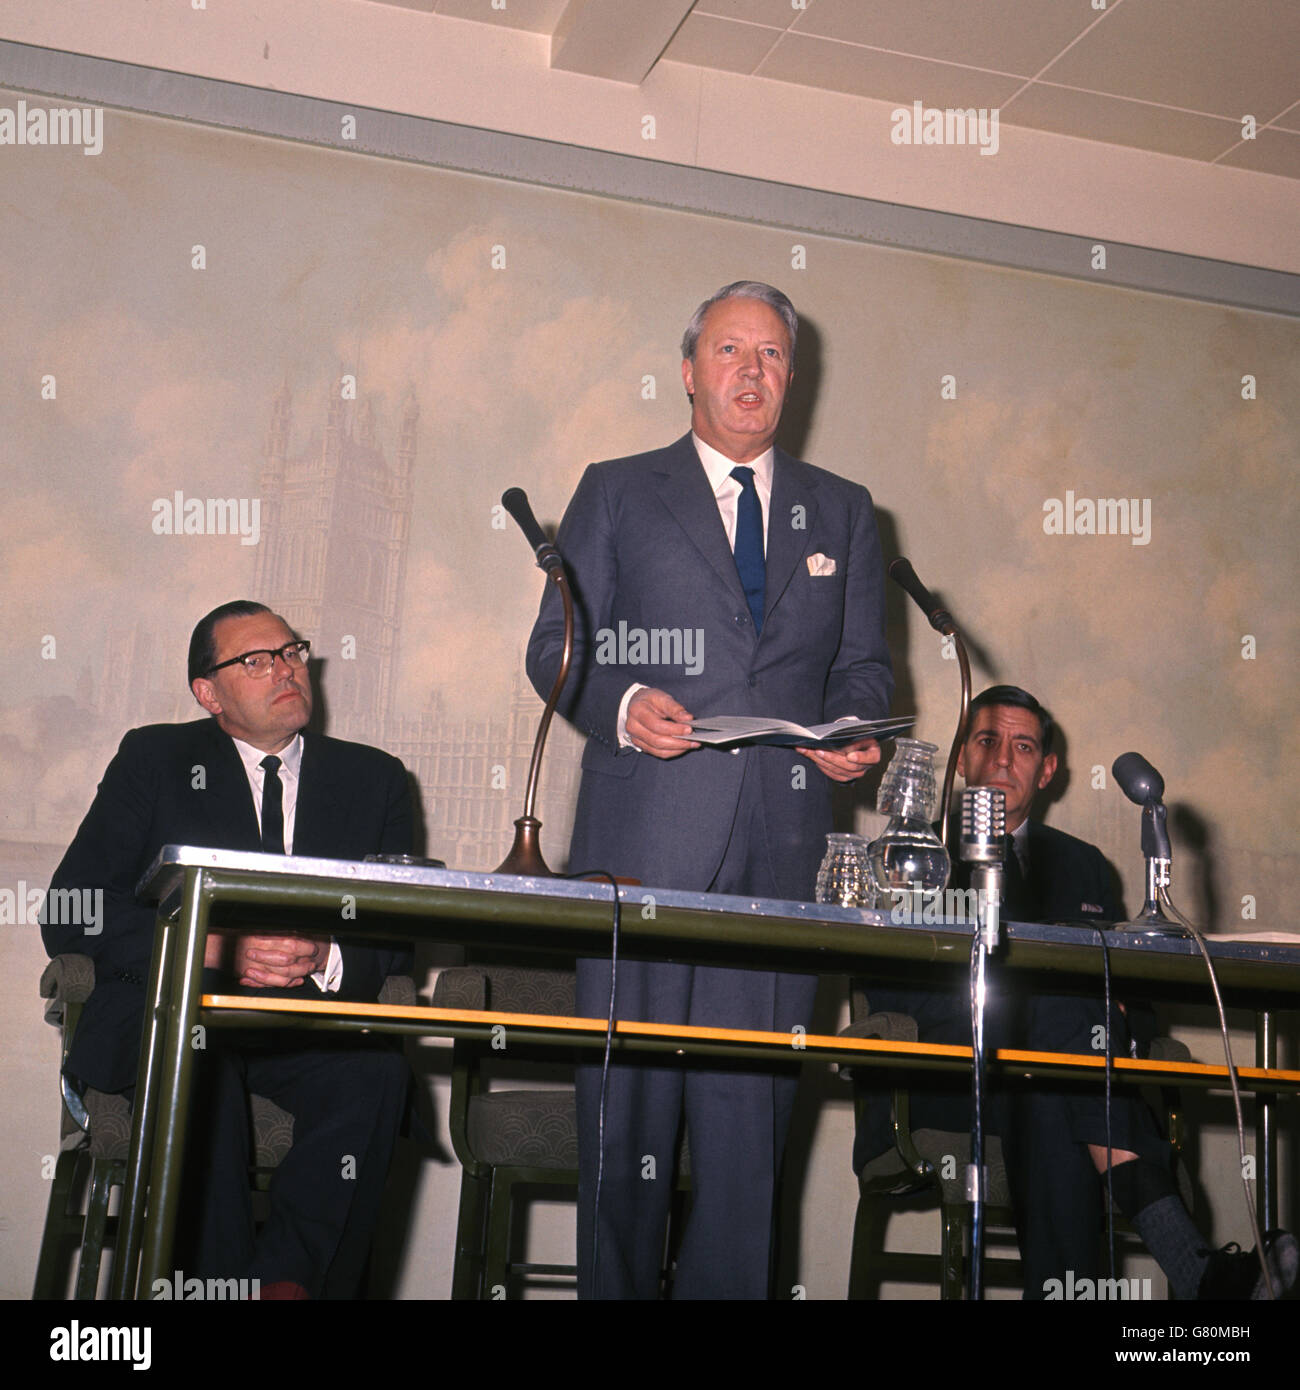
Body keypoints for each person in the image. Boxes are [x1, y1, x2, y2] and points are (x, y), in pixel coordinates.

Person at [526, 281, 894, 1298]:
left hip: (778, 859)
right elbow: (554, 650)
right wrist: (622, 699)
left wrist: (853, 727)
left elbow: (864, 672)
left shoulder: (847, 511)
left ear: (792, 378)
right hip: (637, 841)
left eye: (772, 355)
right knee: (625, 1130)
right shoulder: (614, 488)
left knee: (746, 1147)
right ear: (688, 370)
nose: (751, 372)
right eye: (729, 350)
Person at [857, 684, 1297, 1300]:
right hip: (944, 1077)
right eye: (987, 741)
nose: (1004, 759)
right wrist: (1028, 1004)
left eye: (1023, 745)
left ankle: (1200, 1276)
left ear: (1049, 768)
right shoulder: (915, 853)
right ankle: (1200, 1271)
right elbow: (885, 989)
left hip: (1056, 1079)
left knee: (1054, 1088)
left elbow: (1136, 1010)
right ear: (960, 757)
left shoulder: (1085, 864)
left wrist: (1108, 1012)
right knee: (1059, 1038)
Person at [43, 600, 413, 1299]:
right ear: (208, 693)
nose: (286, 669)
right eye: (256, 659)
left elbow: (393, 933)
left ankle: (288, 1286)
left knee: (376, 1073)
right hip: (173, 1012)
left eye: (293, 652)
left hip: (304, 1021)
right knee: (195, 1066)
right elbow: (73, 908)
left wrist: (326, 954)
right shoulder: (154, 758)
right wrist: (214, 948)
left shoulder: (375, 778)